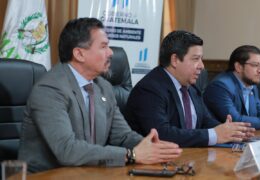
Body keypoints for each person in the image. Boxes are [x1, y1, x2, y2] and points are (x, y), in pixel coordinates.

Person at [18, 18, 182, 173]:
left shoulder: (103, 87)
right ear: (79, 54)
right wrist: (131, 155)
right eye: (103, 46)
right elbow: (67, 150)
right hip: (47, 175)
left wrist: (152, 148)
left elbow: (123, 136)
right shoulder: (50, 89)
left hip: (88, 172)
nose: (110, 52)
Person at [125, 30, 255, 147]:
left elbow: (204, 120)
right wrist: (215, 135)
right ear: (175, 60)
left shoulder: (191, 88)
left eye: (201, 59)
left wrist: (232, 131)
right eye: (195, 59)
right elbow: (162, 134)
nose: (202, 66)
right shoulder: (150, 89)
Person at [203, 45, 260, 130]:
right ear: (239, 67)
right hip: (216, 145)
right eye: (255, 65)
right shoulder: (220, 86)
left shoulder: (250, 85)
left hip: (243, 139)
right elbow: (236, 120)